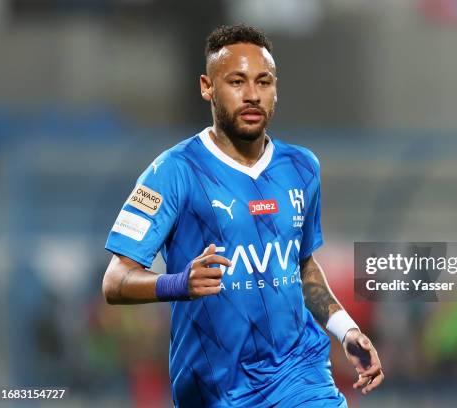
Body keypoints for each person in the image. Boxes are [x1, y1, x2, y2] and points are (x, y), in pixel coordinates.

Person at [102, 24, 383, 407]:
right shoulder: (173, 172)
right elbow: (115, 281)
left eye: (263, 82)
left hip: (300, 376)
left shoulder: (302, 167)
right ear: (207, 87)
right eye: (237, 82)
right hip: (216, 389)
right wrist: (177, 283)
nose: (252, 95)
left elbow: (301, 266)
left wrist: (345, 329)